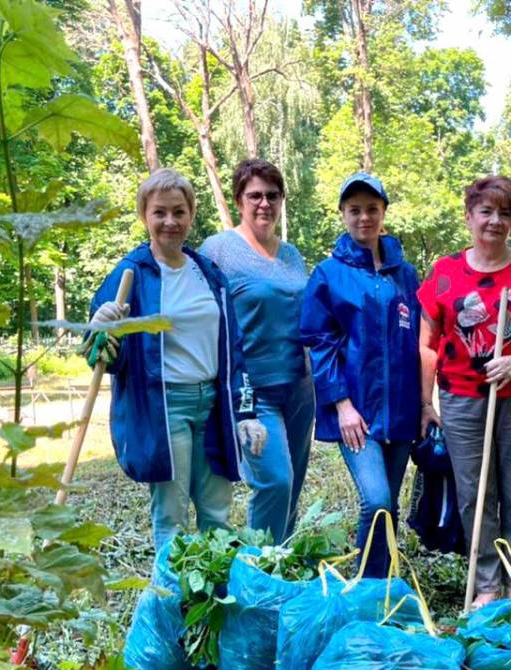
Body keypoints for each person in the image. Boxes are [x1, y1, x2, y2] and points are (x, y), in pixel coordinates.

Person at [86, 168, 267, 553]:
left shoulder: (209, 274)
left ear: (191, 215)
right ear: (145, 216)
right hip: (165, 407)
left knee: (218, 515)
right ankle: (172, 606)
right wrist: (99, 330)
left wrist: (245, 411)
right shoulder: (131, 274)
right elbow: (100, 353)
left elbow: (233, 348)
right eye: (160, 213)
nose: (170, 222)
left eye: (179, 212)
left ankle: (217, 604)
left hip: (214, 406)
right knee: (172, 519)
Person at [417, 176, 511, 608]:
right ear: (469, 216)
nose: (495, 221)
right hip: (463, 399)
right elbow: (426, 344)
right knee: (474, 492)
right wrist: (426, 404)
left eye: (505, 213)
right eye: (486, 211)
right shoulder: (445, 273)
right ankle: (485, 582)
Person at [299, 173, 421, 578]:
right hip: (356, 413)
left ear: (384, 212)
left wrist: (424, 404)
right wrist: (343, 405)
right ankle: (367, 589)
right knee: (377, 500)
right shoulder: (328, 275)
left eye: (372, 208)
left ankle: (387, 583)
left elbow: (421, 340)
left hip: (401, 410)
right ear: (342, 214)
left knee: (392, 505)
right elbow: (319, 341)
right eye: (355, 210)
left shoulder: (406, 275)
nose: (364, 217)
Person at [199, 159, 312, 543]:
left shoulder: (292, 254)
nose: (264, 203)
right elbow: (200, 312)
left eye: (272, 195)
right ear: (239, 200)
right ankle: (258, 572)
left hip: (299, 388)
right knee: (275, 482)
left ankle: (283, 568)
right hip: (252, 391)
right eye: (255, 196)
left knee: (293, 486)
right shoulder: (219, 249)